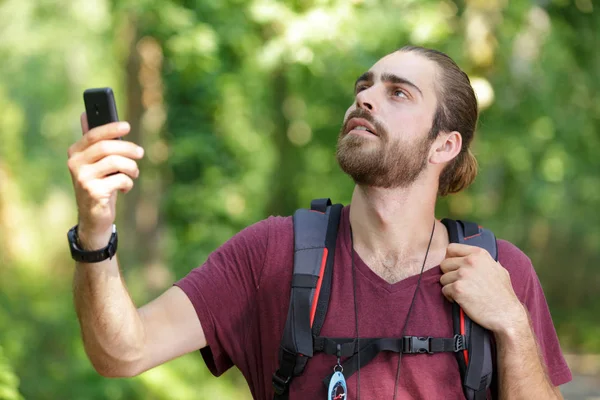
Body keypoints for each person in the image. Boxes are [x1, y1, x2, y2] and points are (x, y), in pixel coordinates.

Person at [66, 46, 572, 399]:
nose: (366, 98)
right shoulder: (272, 254)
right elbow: (122, 353)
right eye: (364, 86)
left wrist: (511, 323)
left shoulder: (502, 272)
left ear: (445, 144)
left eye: (398, 93)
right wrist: (95, 229)